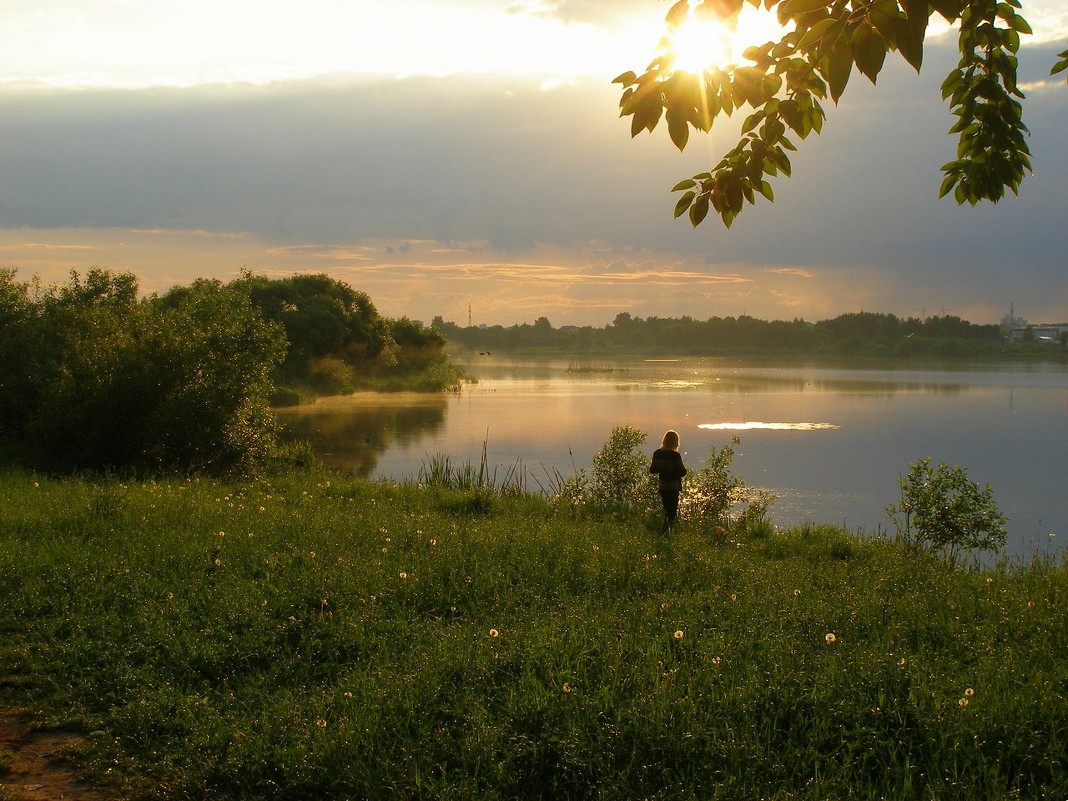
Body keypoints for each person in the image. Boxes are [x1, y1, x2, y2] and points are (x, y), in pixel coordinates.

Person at [650, 429, 687, 532]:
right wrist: (672, 469)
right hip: (673, 486)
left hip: (663, 486)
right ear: (676, 442)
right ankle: (667, 531)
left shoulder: (657, 453)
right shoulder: (675, 455)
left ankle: (665, 531)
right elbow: (683, 472)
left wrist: (663, 468)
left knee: (666, 508)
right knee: (672, 511)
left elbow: (652, 469)